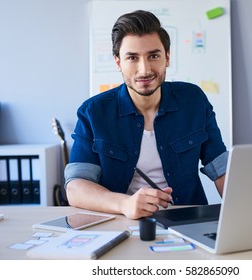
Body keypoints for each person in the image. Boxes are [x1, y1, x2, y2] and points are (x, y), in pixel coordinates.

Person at [65, 10, 228, 219]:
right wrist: (124, 203)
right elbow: (76, 188)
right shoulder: (94, 112)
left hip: (189, 221)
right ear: (118, 62)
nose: (144, 70)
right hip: (121, 222)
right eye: (132, 57)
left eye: (154, 56)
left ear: (167, 57)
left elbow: (221, 170)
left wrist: (246, 209)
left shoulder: (193, 100)